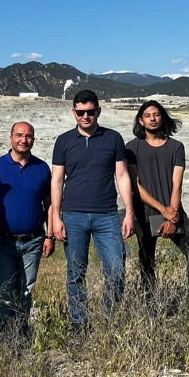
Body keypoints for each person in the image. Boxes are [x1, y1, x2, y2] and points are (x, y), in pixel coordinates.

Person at [51, 90, 134, 332]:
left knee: (117, 270)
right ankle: (79, 322)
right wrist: (56, 217)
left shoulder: (113, 138)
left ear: (98, 111)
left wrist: (129, 212)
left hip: (107, 214)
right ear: (73, 113)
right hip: (73, 214)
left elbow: (122, 175)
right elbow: (57, 180)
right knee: (75, 272)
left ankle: (108, 317)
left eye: (90, 112)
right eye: (80, 112)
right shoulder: (64, 141)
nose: (85, 116)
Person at [0, 121, 54, 344]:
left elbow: (49, 204)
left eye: (29, 136)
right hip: (3, 242)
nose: (24, 140)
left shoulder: (42, 168)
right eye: (19, 135)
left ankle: (21, 338)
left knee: (25, 291)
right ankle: (3, 340)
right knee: (4, 293)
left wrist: (50, 235)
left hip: (33, 241)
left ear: (34, 139)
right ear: (11, 137)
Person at [125, 100, 189, 292]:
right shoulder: (132, 147)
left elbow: (177, 184)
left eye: (156, 114)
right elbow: (135, 186)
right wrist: (164, 211)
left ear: (162, 117)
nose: (152, 119)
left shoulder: (176, 147)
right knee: (147, 261)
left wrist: (172, 215)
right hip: (144, 213)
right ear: (141, 121)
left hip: (174, 209)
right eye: (147, 115)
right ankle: (150, 306)